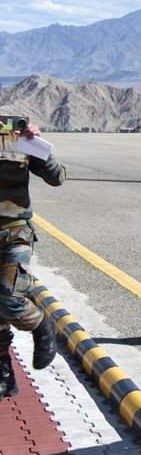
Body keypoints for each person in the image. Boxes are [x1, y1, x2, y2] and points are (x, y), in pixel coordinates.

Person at [0, 119, 65, 399]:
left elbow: (57, 177)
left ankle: (41, 325)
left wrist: (37, 145)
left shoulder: (17, 137)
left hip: (13, 231)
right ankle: (5, 375)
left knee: (9, 298)